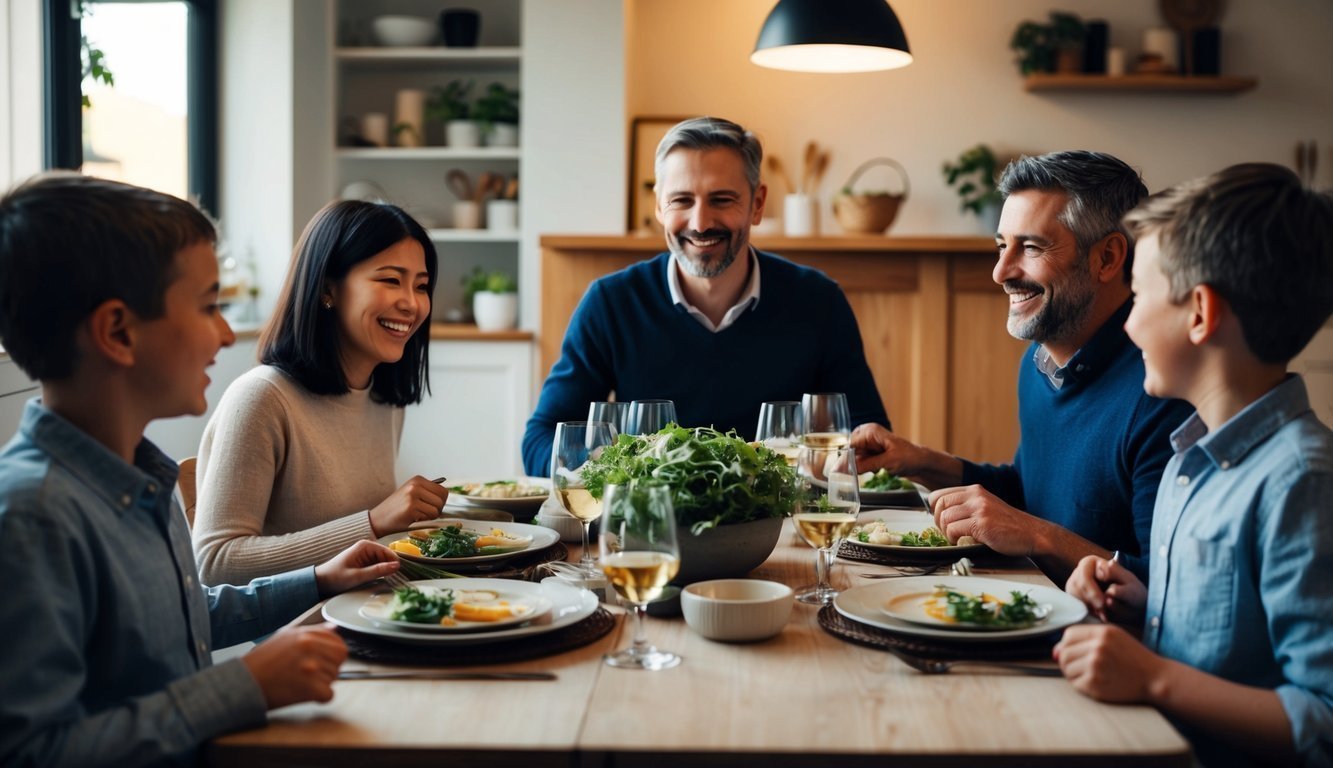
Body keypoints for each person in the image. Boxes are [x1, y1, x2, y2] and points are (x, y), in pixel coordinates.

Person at [0, 172, 403, 766]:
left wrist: (318, 579)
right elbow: (33, 753)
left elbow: (185, 622)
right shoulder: (33, 516)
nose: (223, 334)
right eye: (209, 306)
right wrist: (243, 687)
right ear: (117, 331)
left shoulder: (140, 479)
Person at [1056, 163, 1333, 766]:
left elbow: (1323, 718)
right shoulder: (1191, 457)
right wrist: (1147, 604)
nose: (1127, 322)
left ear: (1200, 312)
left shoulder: (1302, 480)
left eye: (1139, 297)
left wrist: (1154, 677)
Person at [852, 151, 1193, 584]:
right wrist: (921, 461)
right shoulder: (1039, 362)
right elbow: (1029, 492)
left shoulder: (1164, 393)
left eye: (1031, 247)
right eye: (1001, 246)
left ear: (1107, 258)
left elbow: (1163, 592)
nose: (1000, 272)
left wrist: (1036, 536)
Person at [521, 116, 889, 476]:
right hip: (653, 529)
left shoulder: (820, 301)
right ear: (658, 206)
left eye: (722, 199)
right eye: (681, 200)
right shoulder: (610, 303)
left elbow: (865, 434)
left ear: (757, 203)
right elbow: (540, 439)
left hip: (784, 528)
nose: (700, 223)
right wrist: (610, 466)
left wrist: (850, 457)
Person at [193, 199, 449, 585]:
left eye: (422, 286)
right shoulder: (261, 399)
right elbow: (214, 562)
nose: (411, 304)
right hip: (301, 632)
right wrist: (373, 523)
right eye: (390, 280)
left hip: (373, 608)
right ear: (328, 287)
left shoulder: (383, 398)